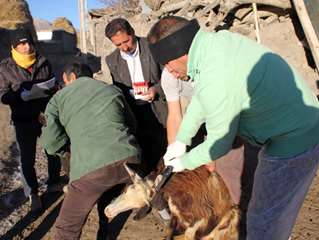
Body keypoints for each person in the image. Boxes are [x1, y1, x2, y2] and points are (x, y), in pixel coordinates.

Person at [148, 16, 319, 240]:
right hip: (297, 121)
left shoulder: (216, 75)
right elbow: (201, 101)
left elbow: (219, 144)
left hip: (296, 139)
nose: (169, 72)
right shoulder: (214, 45)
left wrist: (183, 163)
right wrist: (181, 141)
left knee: (264, 221)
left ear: (181, 53)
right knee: (266, 212)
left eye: (167, 64)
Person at [41, 62, 140, 239]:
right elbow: (132, 124)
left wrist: (68, 151)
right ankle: (105, 232)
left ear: (70, 78)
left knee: (66, 228)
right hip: (130, 159)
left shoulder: (58, 98)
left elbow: (51, 143)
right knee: (109, 196)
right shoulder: (111, 89)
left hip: (92, 169)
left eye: (65, 82)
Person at [161, 68, 245, 204]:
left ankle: (233, 205)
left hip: (225, 109)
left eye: (173, 68)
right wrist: (173, 150)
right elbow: (175, 115)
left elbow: (220, 123)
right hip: (194, 102)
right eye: (167, 67)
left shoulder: (212, 72)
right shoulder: (170, 73)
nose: (172, 73)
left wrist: (210, 158)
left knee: (227, 165)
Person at [0, 28, 62, 212]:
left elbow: (52, 82)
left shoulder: (43, 62)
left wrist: (53, 87)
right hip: (22, 119)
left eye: (29, 42)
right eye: (22, 43)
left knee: (53, 150)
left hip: (45, 116)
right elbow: (3, 95)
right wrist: (20, 95)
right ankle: (33, 193)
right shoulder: (5, 67)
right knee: (27, 159)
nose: (27, 46)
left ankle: (54, 182)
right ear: (14, 46)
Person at [105, 18, 167, 173]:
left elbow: (169, 74)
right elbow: (118, 88)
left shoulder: (152, 47)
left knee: (164, 145)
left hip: (158, 106)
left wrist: (156, 90)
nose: (124, 47)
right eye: (118, 45)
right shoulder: (112, 60)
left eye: (126, 41)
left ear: (132, 32)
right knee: (143, 149)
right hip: (134, 112)